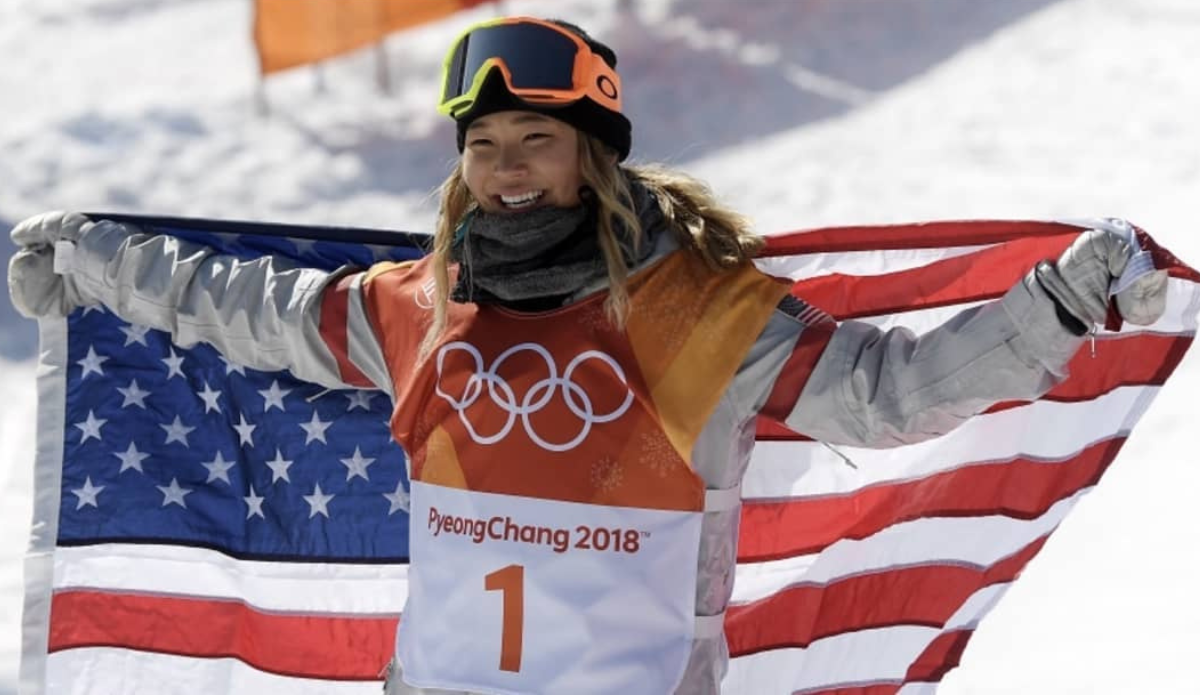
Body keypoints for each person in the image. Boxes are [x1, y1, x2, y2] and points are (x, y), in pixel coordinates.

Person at [7, 15, 1170, 695]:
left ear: (592, 157)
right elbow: (250, 307)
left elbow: (892, 393)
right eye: (486, 143)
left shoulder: (701, 315)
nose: (509, 166)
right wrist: (97, 262)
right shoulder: (419, 305)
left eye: (539, 138)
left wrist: (1059, 304)